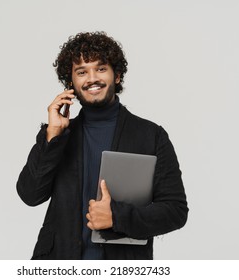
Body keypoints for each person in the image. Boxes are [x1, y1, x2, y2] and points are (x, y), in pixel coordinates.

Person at [16, 31, 188, 260]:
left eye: (100, 68)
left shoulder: (151, 136)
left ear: (116, 76)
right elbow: (30, 194)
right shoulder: (58, 135)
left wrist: (117, 217)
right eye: (81, 72)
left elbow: (175, 211)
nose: (91, 78)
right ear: (71, 82)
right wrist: (53, 135)